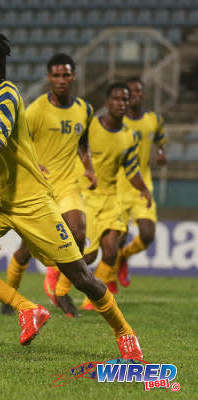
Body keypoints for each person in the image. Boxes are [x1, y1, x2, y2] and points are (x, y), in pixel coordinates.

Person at [0, 27, 143, 359]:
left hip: (31, 201)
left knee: (81, 278)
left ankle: (125, 332)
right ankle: (27, 308)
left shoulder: (7, 95)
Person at [2, 53, 97, 318]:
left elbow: (82, 143)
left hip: (68, 185)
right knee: (26, 251)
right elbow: (17, 143)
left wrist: (89, 168)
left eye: (66, 75)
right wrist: (33, 164)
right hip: (39, 189)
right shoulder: (36, 111)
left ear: (74, 76)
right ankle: (9, 294)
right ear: (49, 78)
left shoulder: (85, 110)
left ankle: (62, 292)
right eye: (56, 75)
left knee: (78, 235)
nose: (61, 80)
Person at [78, 83, 153, 310]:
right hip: (86, 195)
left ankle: (91, 301)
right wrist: (87, 168)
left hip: (110, 198)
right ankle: (57, 281)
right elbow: (76, 147)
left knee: (111, 251)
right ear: (107, 102)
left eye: (125, 100)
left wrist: (143, 189)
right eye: (116, 99)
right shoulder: (91, 125)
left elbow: (131, 169)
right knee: (88, 257)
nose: (121, 103)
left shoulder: (129, 135)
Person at [114, 77, 166, 290]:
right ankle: (108, 282)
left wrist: (160, 152)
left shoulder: (154, 119)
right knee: (117, 238)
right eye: (132, 91)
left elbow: (160, 139)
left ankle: (123, 257)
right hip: (118, 187)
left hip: (142, 186)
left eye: (139, 91)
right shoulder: (117, 122)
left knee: (147, 233)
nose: (136, 94)